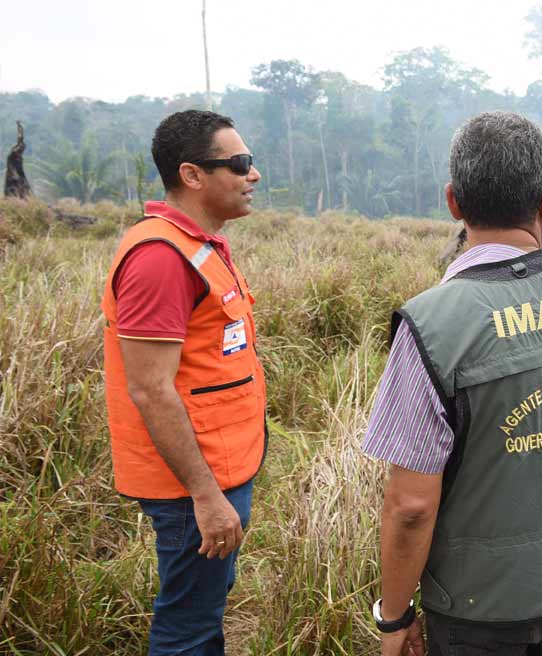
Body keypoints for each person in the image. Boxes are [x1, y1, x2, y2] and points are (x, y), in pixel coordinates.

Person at [362, 111, 542, 656]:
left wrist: (394, 618)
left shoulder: (431, 325)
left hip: (475, 606)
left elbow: (411, 505)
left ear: (453, 202)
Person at [101, 109, 266, 655]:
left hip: (219, 471)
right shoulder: (160, 258)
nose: (253, 174)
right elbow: (149, 388)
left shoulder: (199, 245)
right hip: (192, 486)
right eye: (239, 163)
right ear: (192, 175)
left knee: (202, 610)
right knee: (187, 629)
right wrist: (205, 495)